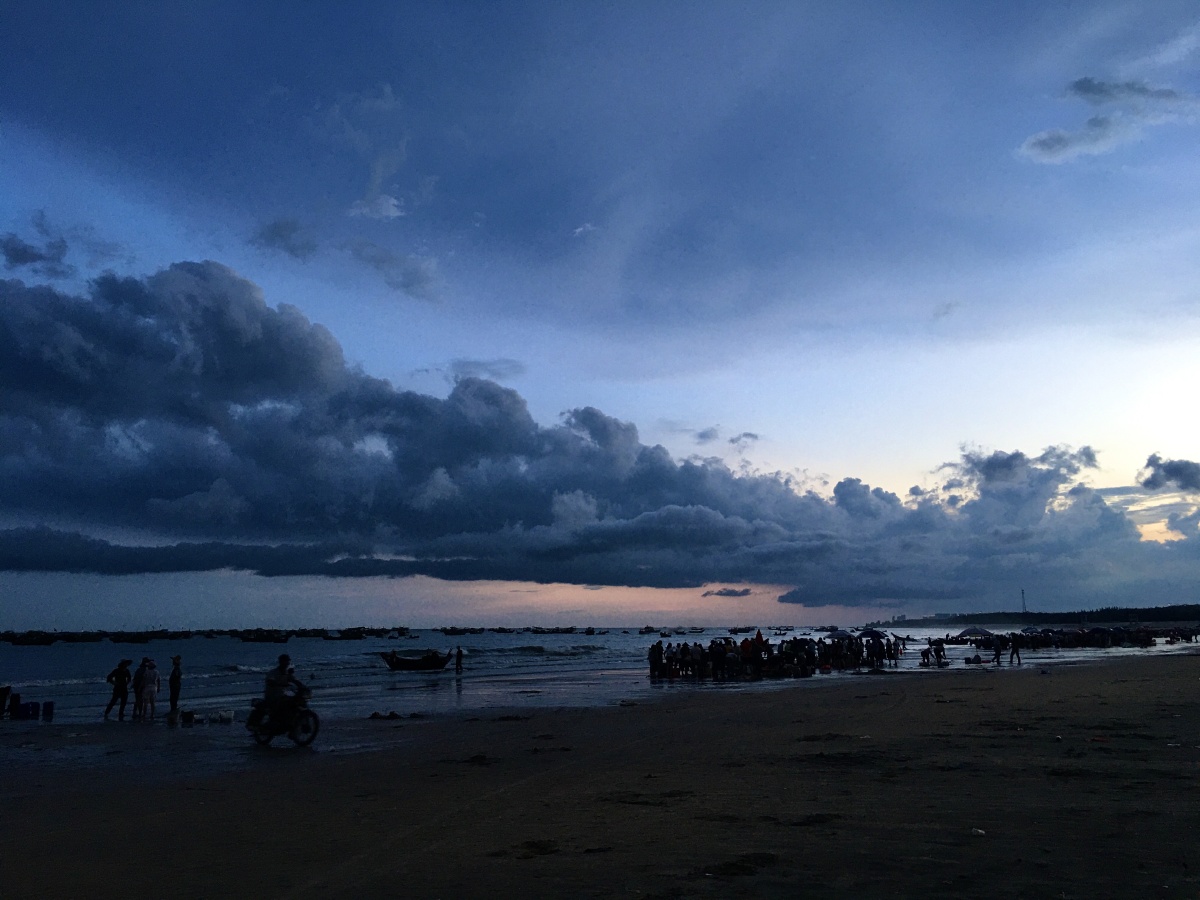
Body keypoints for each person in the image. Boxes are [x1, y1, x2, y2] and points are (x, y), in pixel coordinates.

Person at [247, 653, 303, 730]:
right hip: (272, 697)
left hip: (281, 696)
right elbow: (270, 681)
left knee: (294, 702)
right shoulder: (273, 672)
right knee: (283, 704)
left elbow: (295, 680)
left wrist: (302, 686)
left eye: (288, 662)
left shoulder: (287, 673)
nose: (287, 663)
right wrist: (277, 683)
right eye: (285, 661)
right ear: (281, 662)